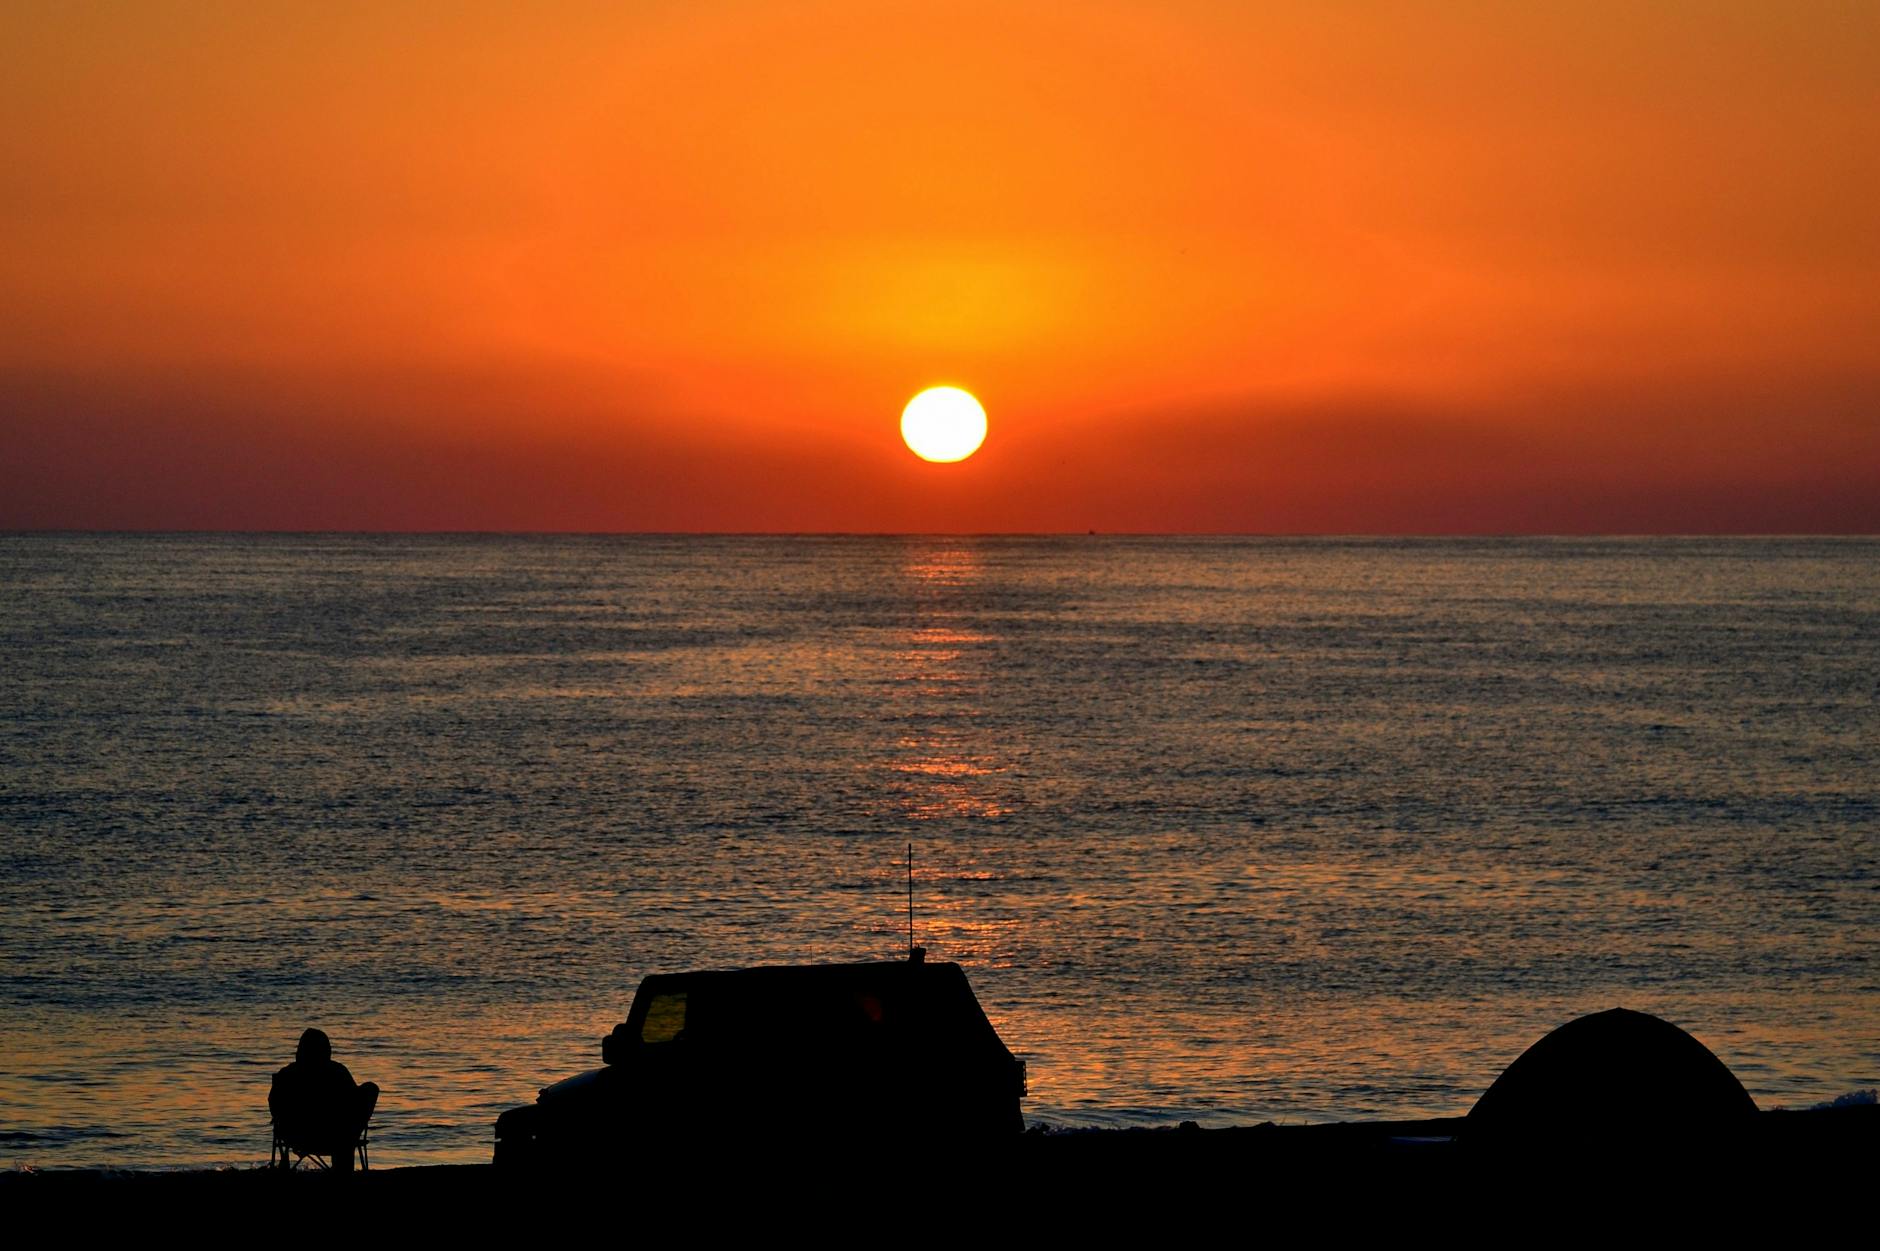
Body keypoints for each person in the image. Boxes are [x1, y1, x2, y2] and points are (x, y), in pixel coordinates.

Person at [269, 1028, 379, 1172]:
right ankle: (343, 1166)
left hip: (296, 1136)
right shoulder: (337, 1072)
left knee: (345, 1122)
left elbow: (274, 1106)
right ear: (326, 1050)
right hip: (335, 1137)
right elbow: (353, 1102)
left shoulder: (285, 1075)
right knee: (370, 1089)